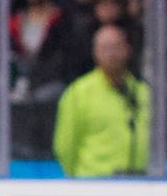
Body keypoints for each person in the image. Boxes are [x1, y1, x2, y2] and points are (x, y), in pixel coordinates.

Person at [53, 23, 148, 177]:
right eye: (105, 48)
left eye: (117, 47)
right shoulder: (78, 93)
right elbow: (65, 146)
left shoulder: (143, 93)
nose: (111, 54)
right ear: (95, 53)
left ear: (128, 49)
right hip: (95, 184)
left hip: (139, 184)